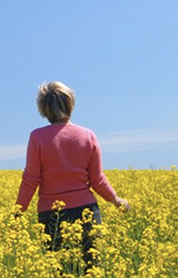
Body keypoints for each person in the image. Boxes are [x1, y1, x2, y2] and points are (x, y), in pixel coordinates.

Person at [15, 81, 130, 270]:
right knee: (91, 270)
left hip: (52, 216)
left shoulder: (37, 137)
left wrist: (18, 212)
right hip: (87, 212)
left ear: (43, 109)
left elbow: (31, 179)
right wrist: (116, 200)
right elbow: (97, 179)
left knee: (59, 270)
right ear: (71, 105)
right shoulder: (87, 136)